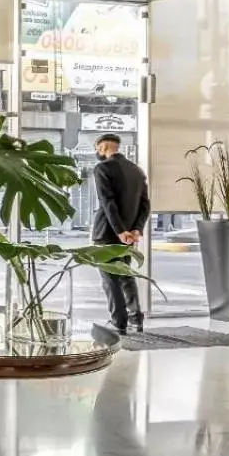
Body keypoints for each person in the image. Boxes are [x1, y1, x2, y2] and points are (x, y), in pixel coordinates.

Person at [91, 133, 149, 334]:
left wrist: (120, 231)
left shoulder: (102, 169)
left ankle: (119, 322)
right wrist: (135, 229)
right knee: (126, 275)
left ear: (103, 147)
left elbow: (108, 202)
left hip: (107, 233)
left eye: (97, 148)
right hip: (129, 235)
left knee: (110, 278)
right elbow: (145, 205)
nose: (97, 152)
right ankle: (136, 318)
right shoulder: (137, 171)